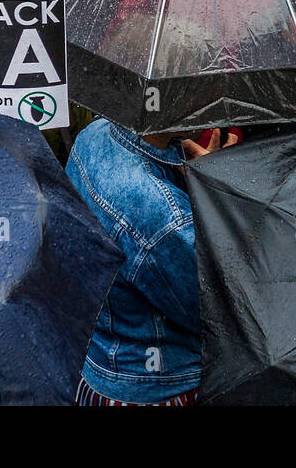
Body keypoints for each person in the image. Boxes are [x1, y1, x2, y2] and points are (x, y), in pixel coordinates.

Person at [65, 117, 238, 405]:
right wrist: (225, 194)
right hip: (157, 389)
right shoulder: (163, 218)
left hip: (100, 367)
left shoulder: (92, 135)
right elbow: (220, 311)